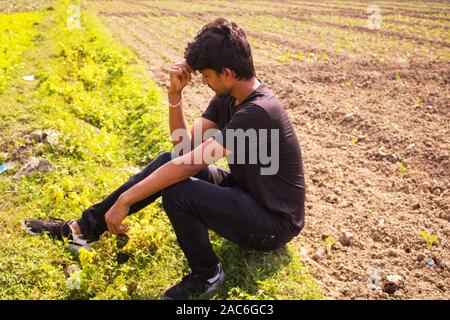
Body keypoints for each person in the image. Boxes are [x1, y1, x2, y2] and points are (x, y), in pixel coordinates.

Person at [23, 18, 305, 300]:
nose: (204, 82)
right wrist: (175, 95)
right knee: (165, 160)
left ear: (227, 72)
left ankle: (207, 274)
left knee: (179, 191)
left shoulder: (258, 112)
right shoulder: (228, 99)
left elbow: (190, 164)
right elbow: (183, 149)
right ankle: (82, 229)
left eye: (206, 76)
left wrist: (126, 200)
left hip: (273, 221)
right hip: (246, 193)